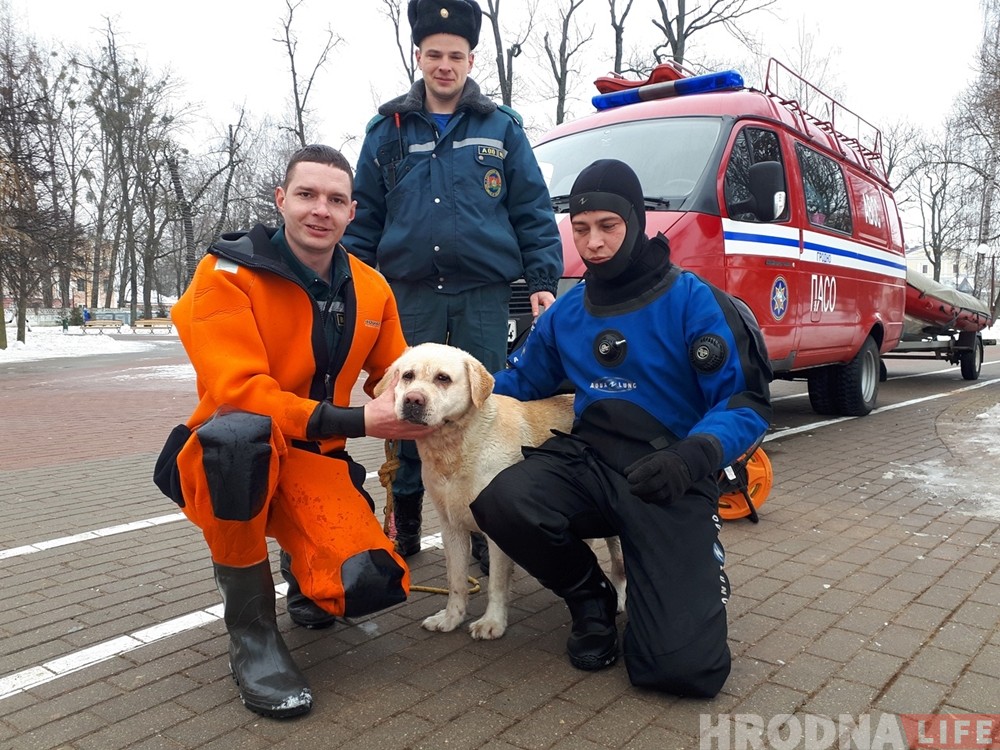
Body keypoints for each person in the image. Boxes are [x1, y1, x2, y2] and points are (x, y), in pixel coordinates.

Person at [470, 159, 773, 698]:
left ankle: (690, 572)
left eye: (608, 226)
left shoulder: (693, 300)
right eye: (581, 228)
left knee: (683, 671)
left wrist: (691, 457)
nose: (593, 243)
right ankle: (591, 601)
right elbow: (517, 382)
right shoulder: (566, 314)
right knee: (502, 500)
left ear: (635, 221)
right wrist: (445, 391)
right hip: (590, 465)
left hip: (670, 475)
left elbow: (744, 404)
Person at [152, 144, 432, 719]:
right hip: (232, 456)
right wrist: (358, 420)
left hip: (316, 459)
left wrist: (439, 402)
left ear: (352, 212)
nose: (320, 210)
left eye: (335, 199)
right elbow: (240, 393)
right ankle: (252, 637)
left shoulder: (371, 287)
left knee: (369, 584)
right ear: (281, 200)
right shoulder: (226, 275)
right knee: (238, 443)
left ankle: (308, 574)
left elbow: (396, 373)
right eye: (306, 194)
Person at [342, 0, 563, 569]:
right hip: (409, 295)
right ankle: (406, 520)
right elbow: (364, 220)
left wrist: (542, 277)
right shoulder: (386, 131)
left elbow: (531, 208)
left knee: (482, 409)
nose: (445, 65)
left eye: (456, 56)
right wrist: (352, 288)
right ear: (419, 56)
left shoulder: (502, 128)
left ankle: (489, 526)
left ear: (471, 60)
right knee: (408, 407)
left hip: (482, 296)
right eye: (435, 54)